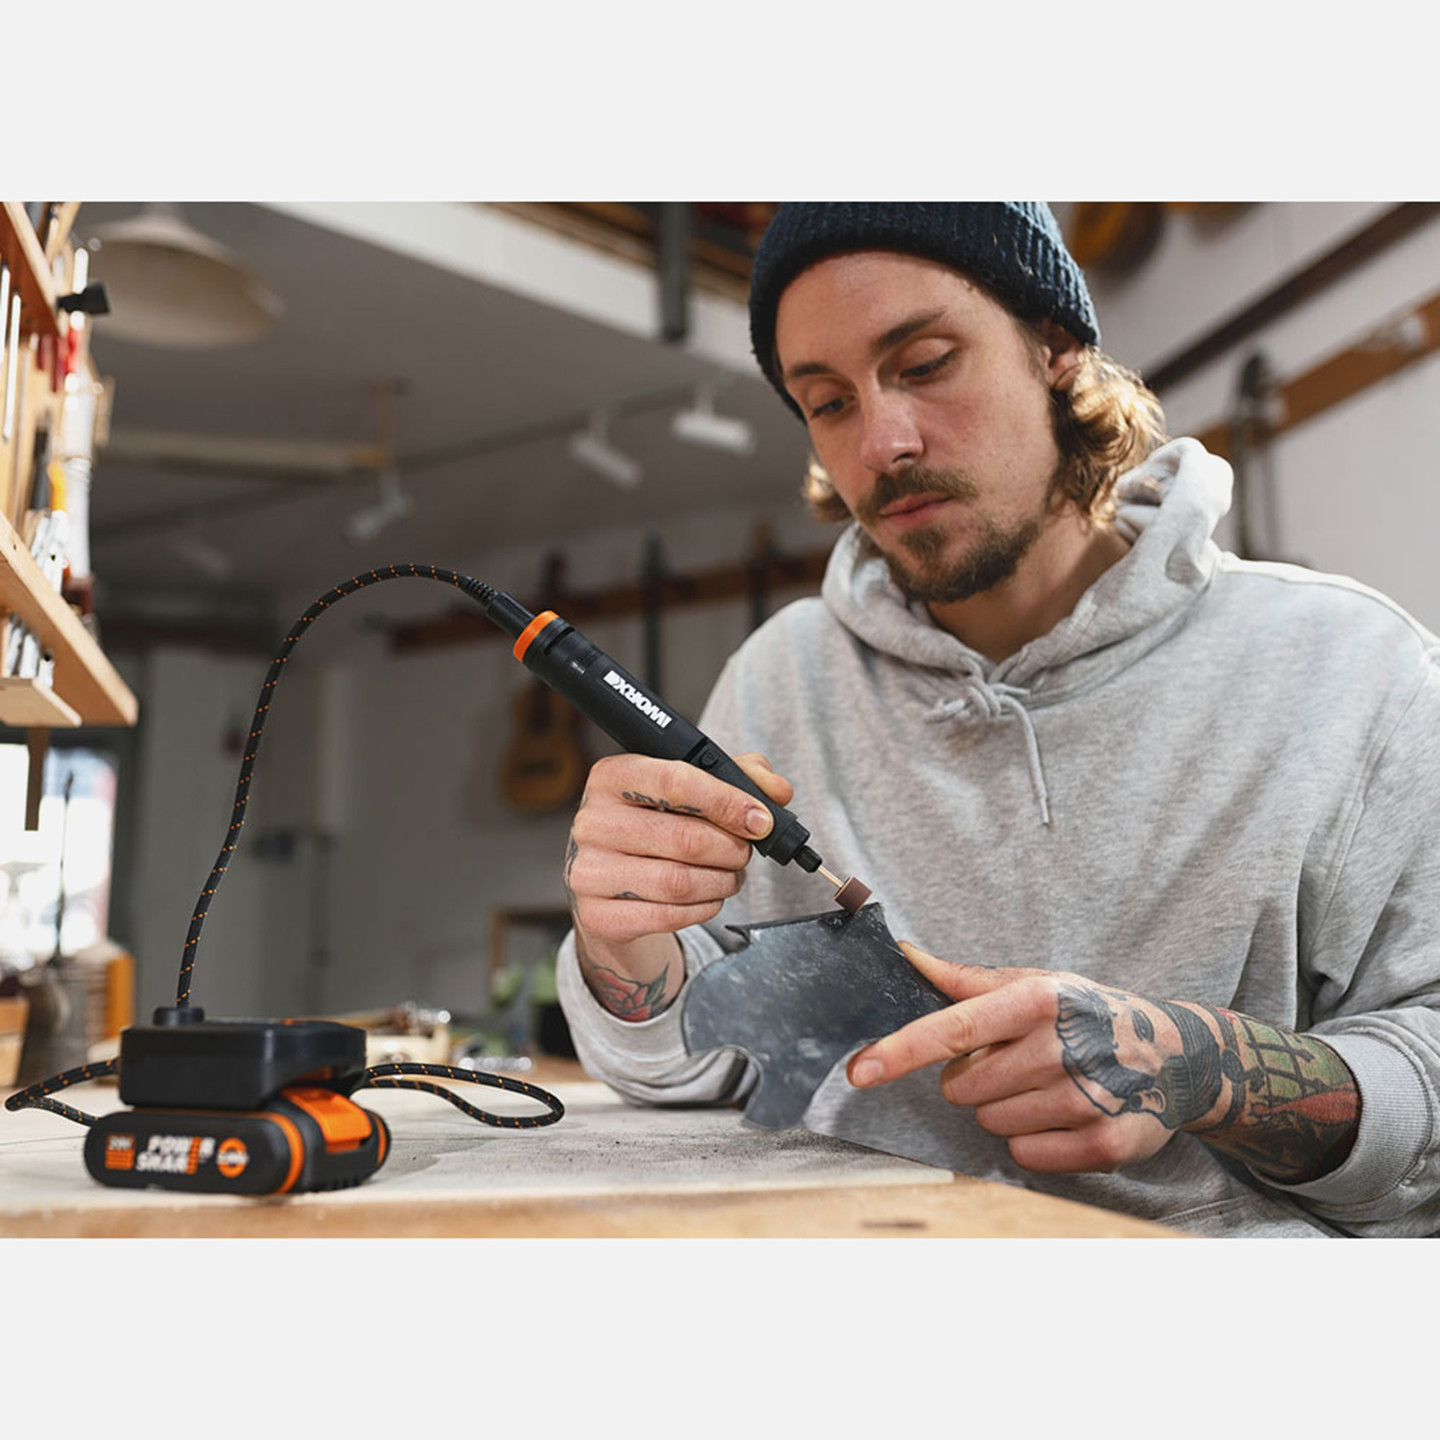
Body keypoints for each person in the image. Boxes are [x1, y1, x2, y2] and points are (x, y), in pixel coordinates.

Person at [554, 202, 1440, 1238]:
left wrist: (1204, 1070)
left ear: (1055, 347)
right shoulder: (781, 676)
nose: (883, 442)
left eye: (926, 363)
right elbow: (695, 1057)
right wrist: (623, 943)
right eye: (828, 402)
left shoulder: (1355, 669)